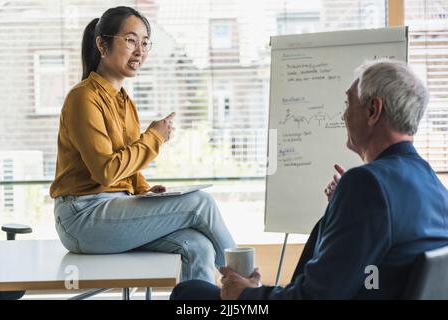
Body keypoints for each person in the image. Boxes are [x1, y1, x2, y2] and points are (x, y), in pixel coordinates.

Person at [170, 59, 448, 299]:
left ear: (373, 110)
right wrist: (338, 209)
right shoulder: (432, 183)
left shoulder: (367, 185)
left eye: (348, 102)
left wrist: (247, 295)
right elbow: (358, 272)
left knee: (190, 293)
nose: (343, 114)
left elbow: (315, 296)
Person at [50, 6, 236, 284]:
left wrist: (145, 192)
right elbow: (107, 172)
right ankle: (248, 286)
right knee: (201, 203)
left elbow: (126, 170)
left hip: (114, 207)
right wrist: (154, 137)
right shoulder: (83, 98)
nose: (140, 51)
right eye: (130, 40)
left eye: (145, 42)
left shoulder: (125, 101)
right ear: (102, 44)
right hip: (82, 216)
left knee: (198, 246)